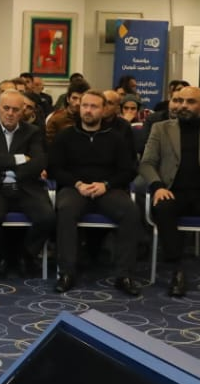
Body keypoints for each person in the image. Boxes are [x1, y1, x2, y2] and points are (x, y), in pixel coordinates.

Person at [138, 84, 200, 298]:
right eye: (179, 101)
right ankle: (176, 271)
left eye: (190, 102)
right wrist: (157, 187)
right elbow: (147, 163)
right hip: (172, 191)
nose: (183, 105)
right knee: (163, 207)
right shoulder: (161, 129)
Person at [50, 90, 139, 295]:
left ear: (104, 109)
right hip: (75, 188)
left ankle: (124, 275)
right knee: (65, 210)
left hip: (107, 189)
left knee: (131, 211)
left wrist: (106, 184)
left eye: (94, 106)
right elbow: (55, 168)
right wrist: (77, 183)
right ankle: (67, 272)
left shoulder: (116, 138)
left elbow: (128, 171)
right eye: (85, 106)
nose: (88, 110)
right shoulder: (65, 136)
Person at [0, 90, 54, 278]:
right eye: (6, 108)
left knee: (47, 217)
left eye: (15, 110)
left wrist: (12, 169)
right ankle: (1, 256)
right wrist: (20, 159)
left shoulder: (32, 132)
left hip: (25, 186)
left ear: (23, 111)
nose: (10, 113)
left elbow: (39, 162)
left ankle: (26, 255)